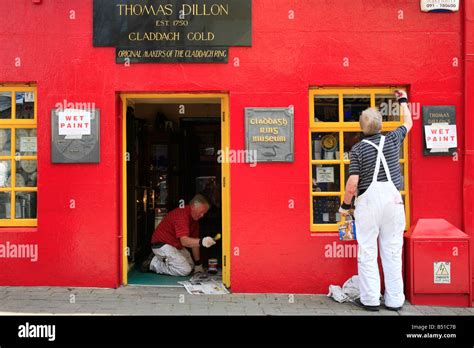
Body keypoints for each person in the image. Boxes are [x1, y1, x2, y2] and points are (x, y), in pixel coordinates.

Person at [339, 90, 413, 311]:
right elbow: (408, 121)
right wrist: (402, 100)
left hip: (369, 205)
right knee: (392, 250)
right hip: (393, 203)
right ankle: (395, 299)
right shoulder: (393, 138)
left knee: (368, 251)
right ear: (381, 125)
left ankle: (371, 299)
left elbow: (353, 183)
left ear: (362, 128)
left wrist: (344, 207)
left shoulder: (358, 149)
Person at [140, 194, 216, 276]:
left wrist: (198, 264)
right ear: (193, 206)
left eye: (204, 213)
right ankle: (153, 262)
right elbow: (184, 241)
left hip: (174, 245)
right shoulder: (182, 215)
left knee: (191, 266)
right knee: (184, 270)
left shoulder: (195, 220)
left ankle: (164, 260)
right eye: (201, 212)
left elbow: (194, 244)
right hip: (162, 245)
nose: (202, 215)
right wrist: (203, 241)